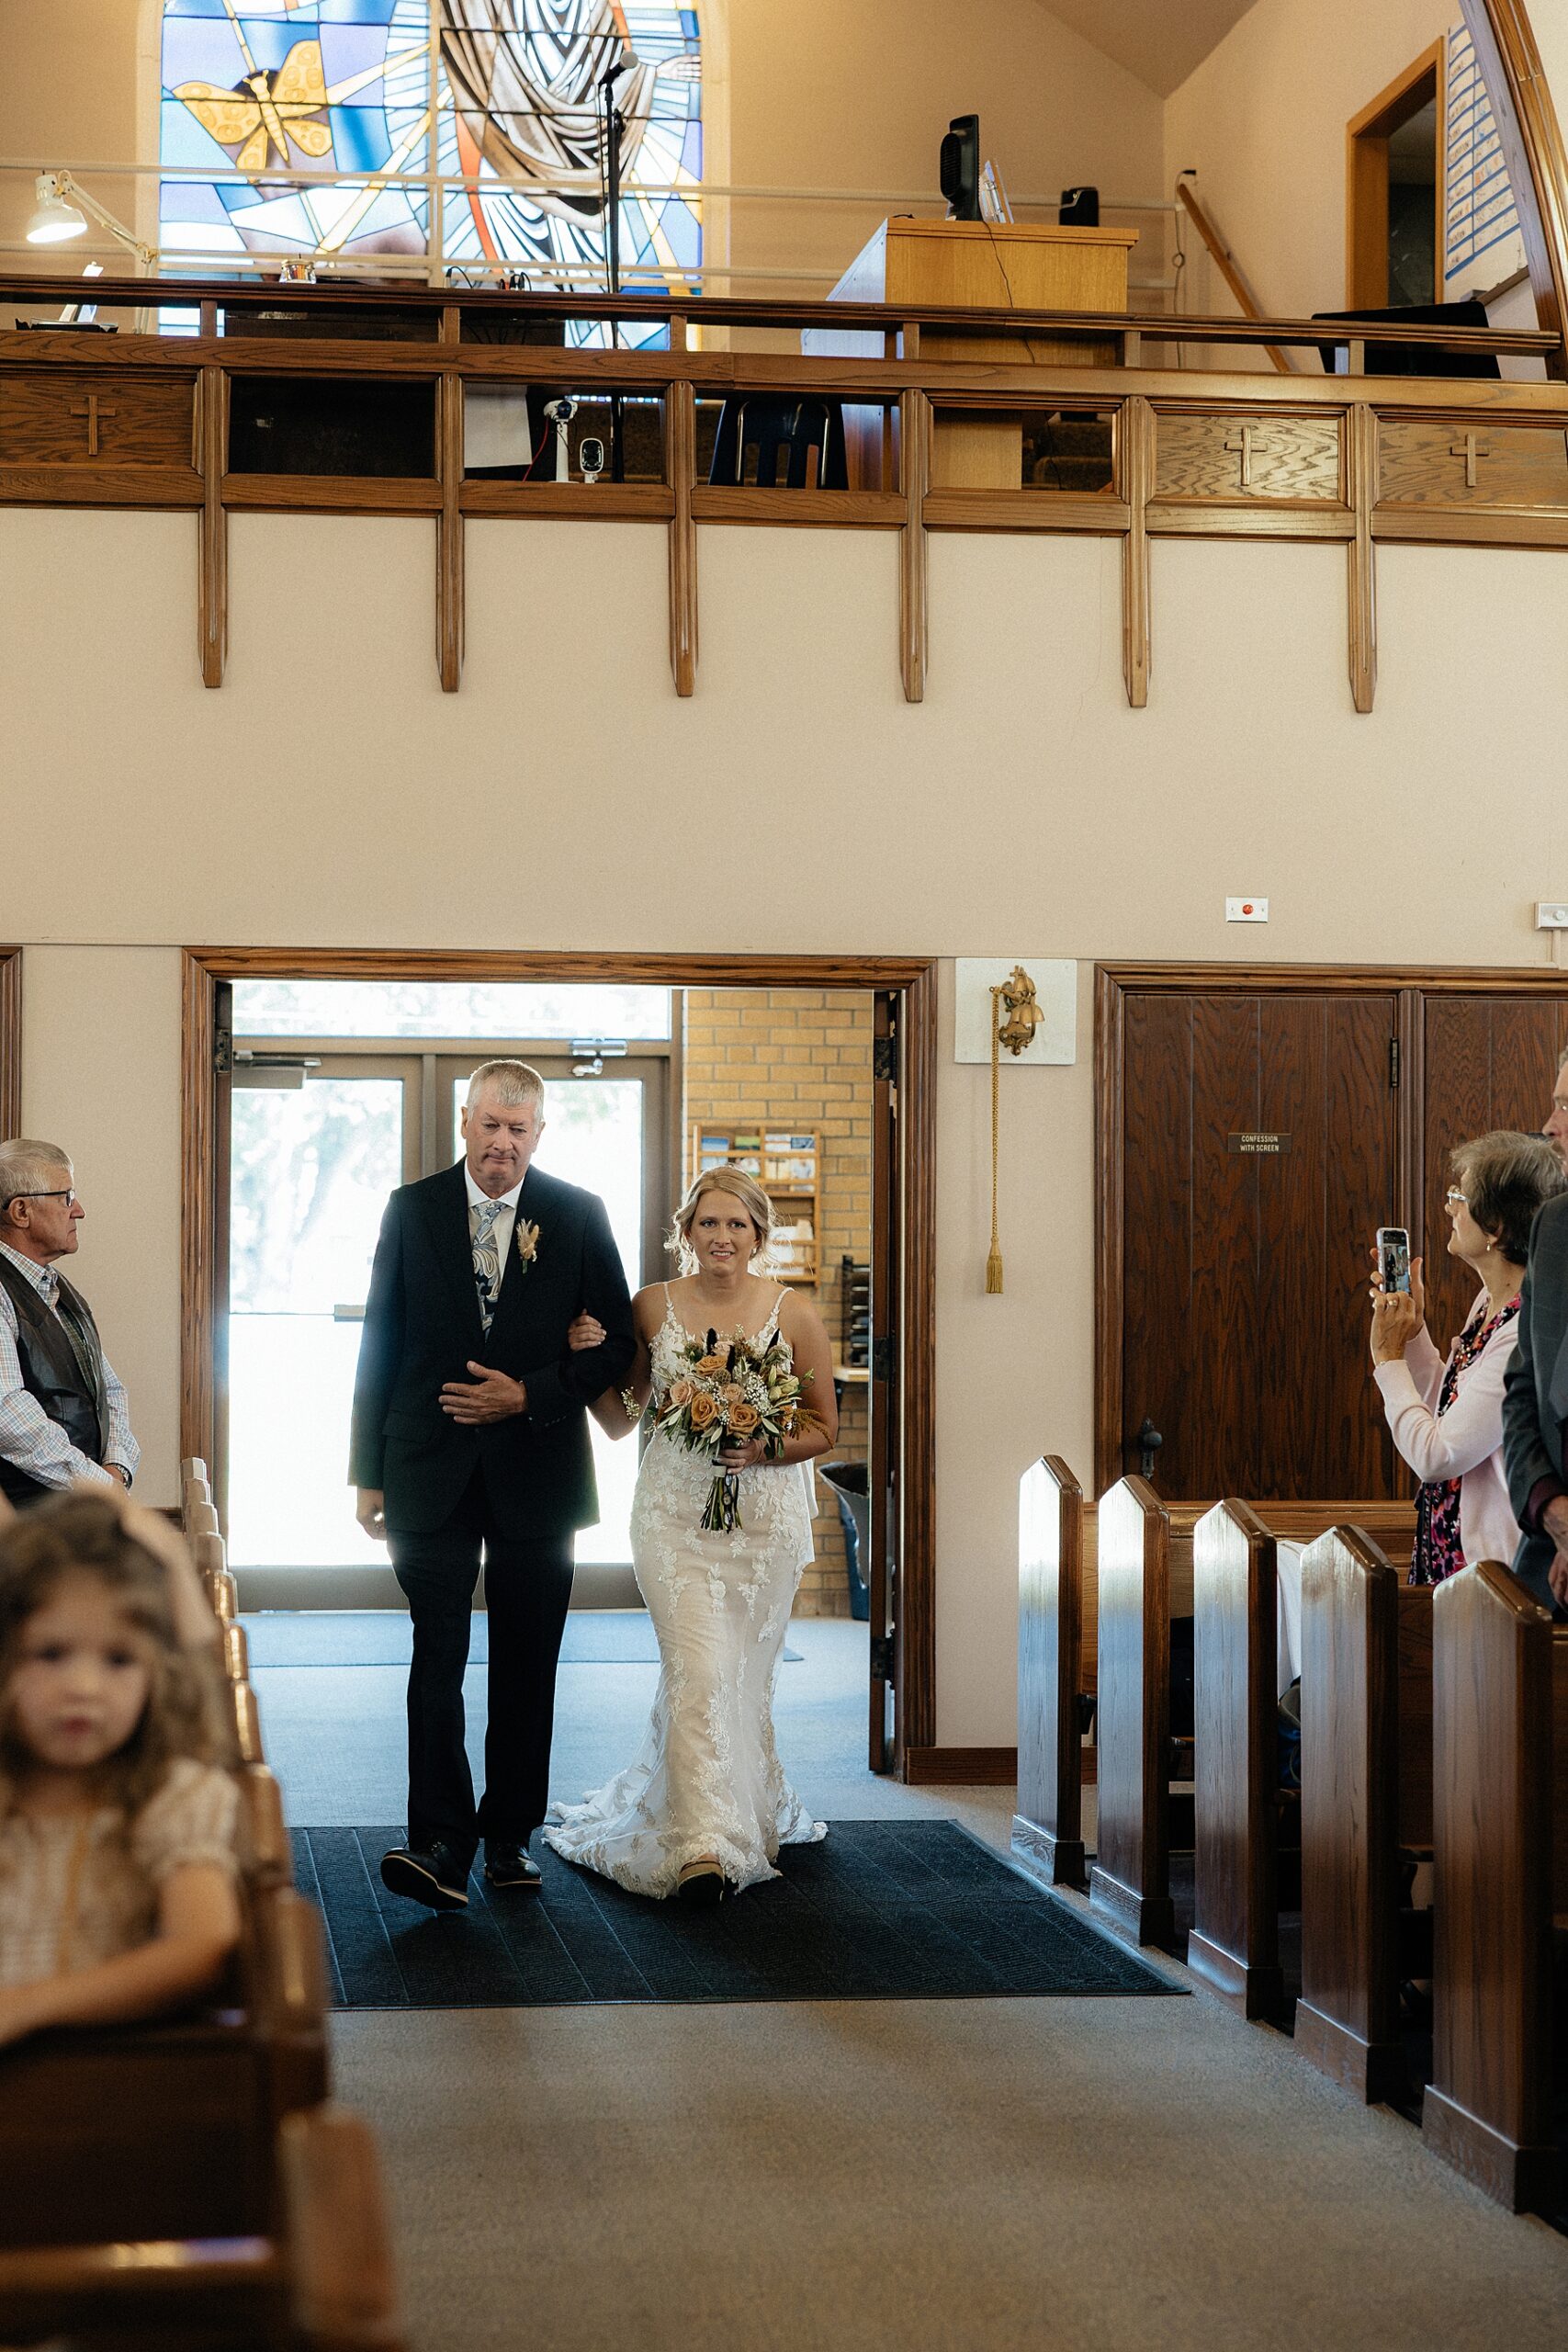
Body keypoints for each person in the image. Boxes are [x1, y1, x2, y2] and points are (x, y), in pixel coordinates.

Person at [349, 1059, 635, 1914]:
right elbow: (380, 1340)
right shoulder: (412, 1208)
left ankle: (508, 1832)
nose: (500, 1143)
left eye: (517, 1129)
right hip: (424, 1464)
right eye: (488, 1125)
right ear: (464, 1124)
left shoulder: (577, 1215)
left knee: (526, 1659)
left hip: (537, 1467)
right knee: (434, 1655)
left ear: (537, 1134)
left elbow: (616, 1342)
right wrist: (366, 1470)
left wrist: (533, 1392)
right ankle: (439, 1840)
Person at [545, 1166, 838, 1904]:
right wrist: (583, 1361)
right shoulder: (651, 1307)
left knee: (743, 1677)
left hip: (763, 1523)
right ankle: (700, 1844)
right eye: (708, 1223)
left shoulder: (792, 1312)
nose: (722, 1237)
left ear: (759, 1236)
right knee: (698, 1672)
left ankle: (741, 1807)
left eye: (737, 1224)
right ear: (685, 1232)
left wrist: (763, 1444)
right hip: (672, 1519)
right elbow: (620, 1419)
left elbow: (823, 1427)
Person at [0, 1489, 241, 2047]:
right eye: (51, 1654)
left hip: (110, 2088)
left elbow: (201, 1948)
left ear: (158, 1676)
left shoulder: (170, 1795)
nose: (83, 1689)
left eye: (119, 1660)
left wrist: (26, 2008)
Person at [1370, 1132, 1567, 1586]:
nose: (1448, 1208)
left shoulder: (1521, 1327)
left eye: (1459, 1196)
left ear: (1496, 1227)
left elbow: (1438, 1454)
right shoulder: (1488, 1302)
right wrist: (1414, 1334)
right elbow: (1449, 1411)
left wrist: (1387, 1359)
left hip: (1492, 1572)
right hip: (1450, 1558)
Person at [0, 1139, 140, 1510]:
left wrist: (117, 1468)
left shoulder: (59, 1286)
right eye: (66, 1197)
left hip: (77, 1514)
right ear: (21, 1211)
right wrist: (102, 1487)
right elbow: (8, 1418)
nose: (79, 1210)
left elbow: (109, 1389)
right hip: (24, 1532)